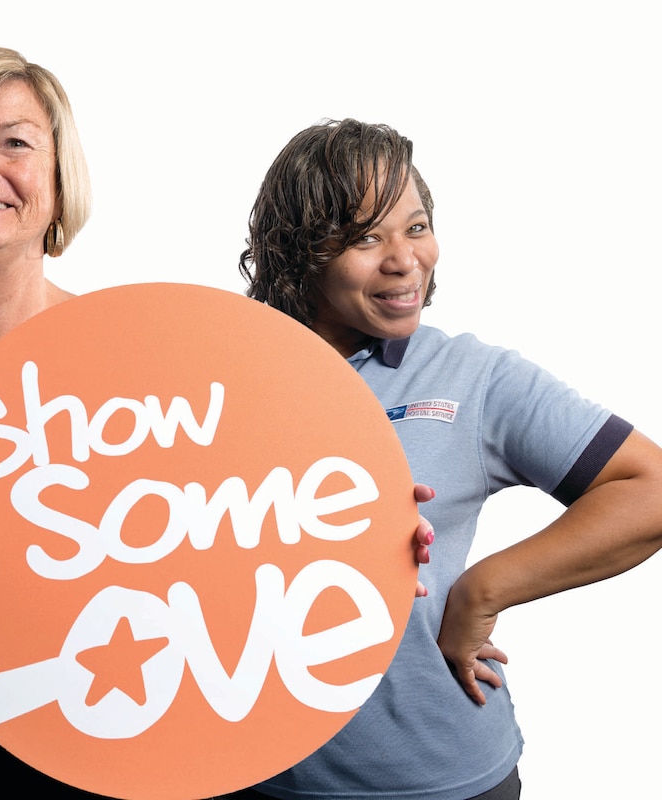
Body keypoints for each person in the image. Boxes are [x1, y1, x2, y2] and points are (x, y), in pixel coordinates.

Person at [0, 50, 435, 798]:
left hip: (100, 777)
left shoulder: (142, 361)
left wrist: (361, 540)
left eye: (16, 142)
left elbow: (231, 544)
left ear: (59, 181)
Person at [235, 118, 662, 800]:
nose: (405, 259)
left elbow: (651, 489)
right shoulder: (216, 378)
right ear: (301, 251)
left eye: (416, 226)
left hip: (438, 778)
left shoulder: (473, 377)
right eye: (366, 237)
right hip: (252, 777)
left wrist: (481, 594)